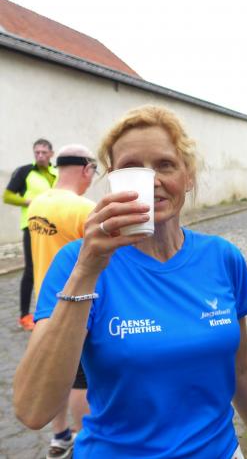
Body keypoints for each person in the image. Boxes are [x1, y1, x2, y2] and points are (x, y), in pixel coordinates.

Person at [13, 105, 247, 459]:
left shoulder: (222, 258)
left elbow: (241, 366)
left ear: (188, 176)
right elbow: (33, 410)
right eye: (132, 168)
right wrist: (87, 271)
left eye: (165, 165)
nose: (151, 179)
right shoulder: (76, 262)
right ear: (113, 179)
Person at [27, 144, 97, 459]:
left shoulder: (37, 203)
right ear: (86, 169)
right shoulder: (85, 209)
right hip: (75, 302)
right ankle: (84, 438)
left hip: (44, 301)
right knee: (79, 376)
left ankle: (59, 436)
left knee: (55, 373)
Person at [4, 138, 57, 331]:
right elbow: (7, 196)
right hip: (33, 226)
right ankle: (25, 315)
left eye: (44, 152)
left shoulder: (57, 172)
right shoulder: (25, 171)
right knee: (30, 269)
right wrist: (29, 201)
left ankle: (53, 311)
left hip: (56, 225)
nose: (40, 156)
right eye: (37, 152)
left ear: (51, 154)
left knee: (54, 265)